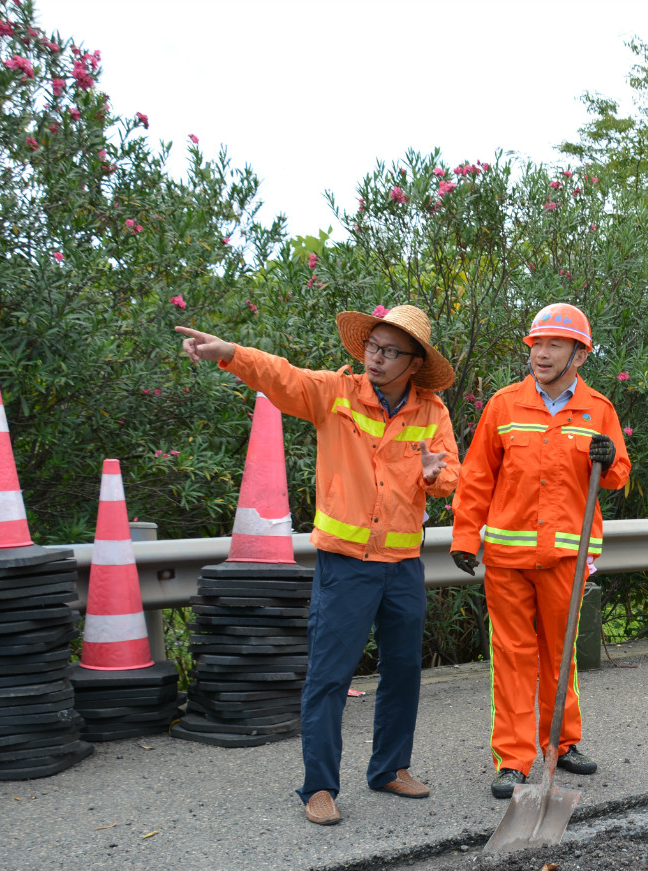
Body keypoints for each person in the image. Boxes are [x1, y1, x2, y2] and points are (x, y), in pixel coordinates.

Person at [175, 306, 460, 826]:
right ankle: (319, 786)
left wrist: (434, 475)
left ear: (414, 363)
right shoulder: (336, 393)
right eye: (373, 345)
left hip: (403, 565)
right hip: (345, 564)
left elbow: (451, 477)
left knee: (402, 674)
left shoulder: (432, 413)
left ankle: (390, 767)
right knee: (329, 676)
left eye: (390, 350)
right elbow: (282, 376)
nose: (376, 356)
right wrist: (230, 354)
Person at [450, 303, 630, 799]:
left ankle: (562, 744)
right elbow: (475, 479)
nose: (542, 354)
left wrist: (609, 457)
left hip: (566, 559)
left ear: (579, 355)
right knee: (512, 657)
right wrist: (466, 538)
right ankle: (513, 759)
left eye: (554, 345)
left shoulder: (599, 410)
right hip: (506, 560)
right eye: (536, 345)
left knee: (561, 654)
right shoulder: (504, 406)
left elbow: (617, 477)